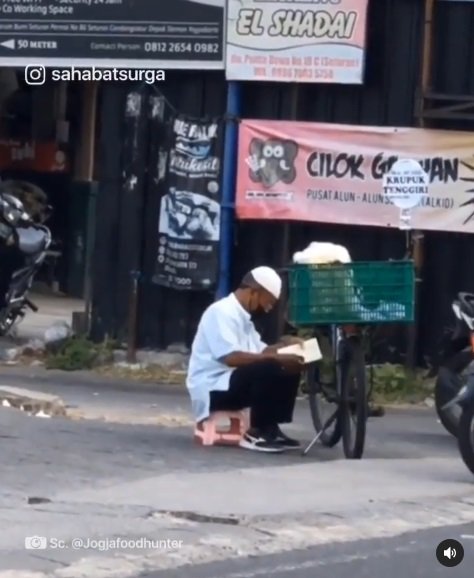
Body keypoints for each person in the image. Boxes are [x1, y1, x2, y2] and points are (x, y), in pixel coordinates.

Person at [186, 266, 305, 453]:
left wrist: (286, 345)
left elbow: (262, 350)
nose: (268, 309)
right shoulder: (221, 312)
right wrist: (274, 356)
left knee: (290, 365)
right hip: (213, 388)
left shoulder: (244, 319)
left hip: (231, 383)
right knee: (269, 365)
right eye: (268, 303)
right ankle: (255, 432)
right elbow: (231, 358)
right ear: (254, 293)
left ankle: (271, 428)